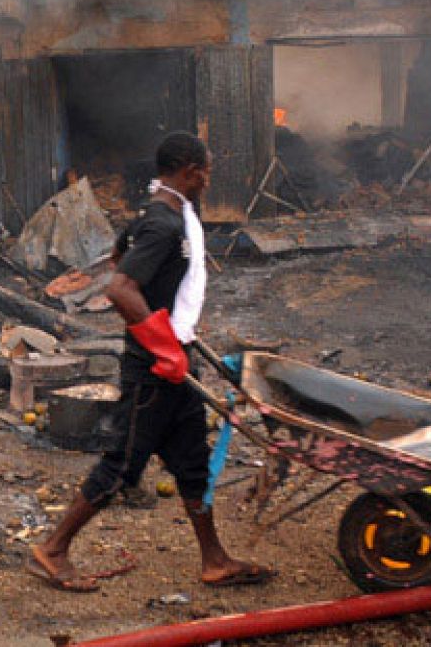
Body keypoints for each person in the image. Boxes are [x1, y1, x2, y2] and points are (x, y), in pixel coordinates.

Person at [27, 131, 272, 592]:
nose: (209, 179)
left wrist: (174, 329)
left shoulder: (162, 214)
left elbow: (121, 254)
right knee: (122, 466)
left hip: (176, 363)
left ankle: (214, 559)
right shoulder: (162, 224)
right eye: (207, 171)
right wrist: (161, 344)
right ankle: (53, 550)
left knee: (193, 462)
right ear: (191, 172)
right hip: (153, 372)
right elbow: (120, 287)